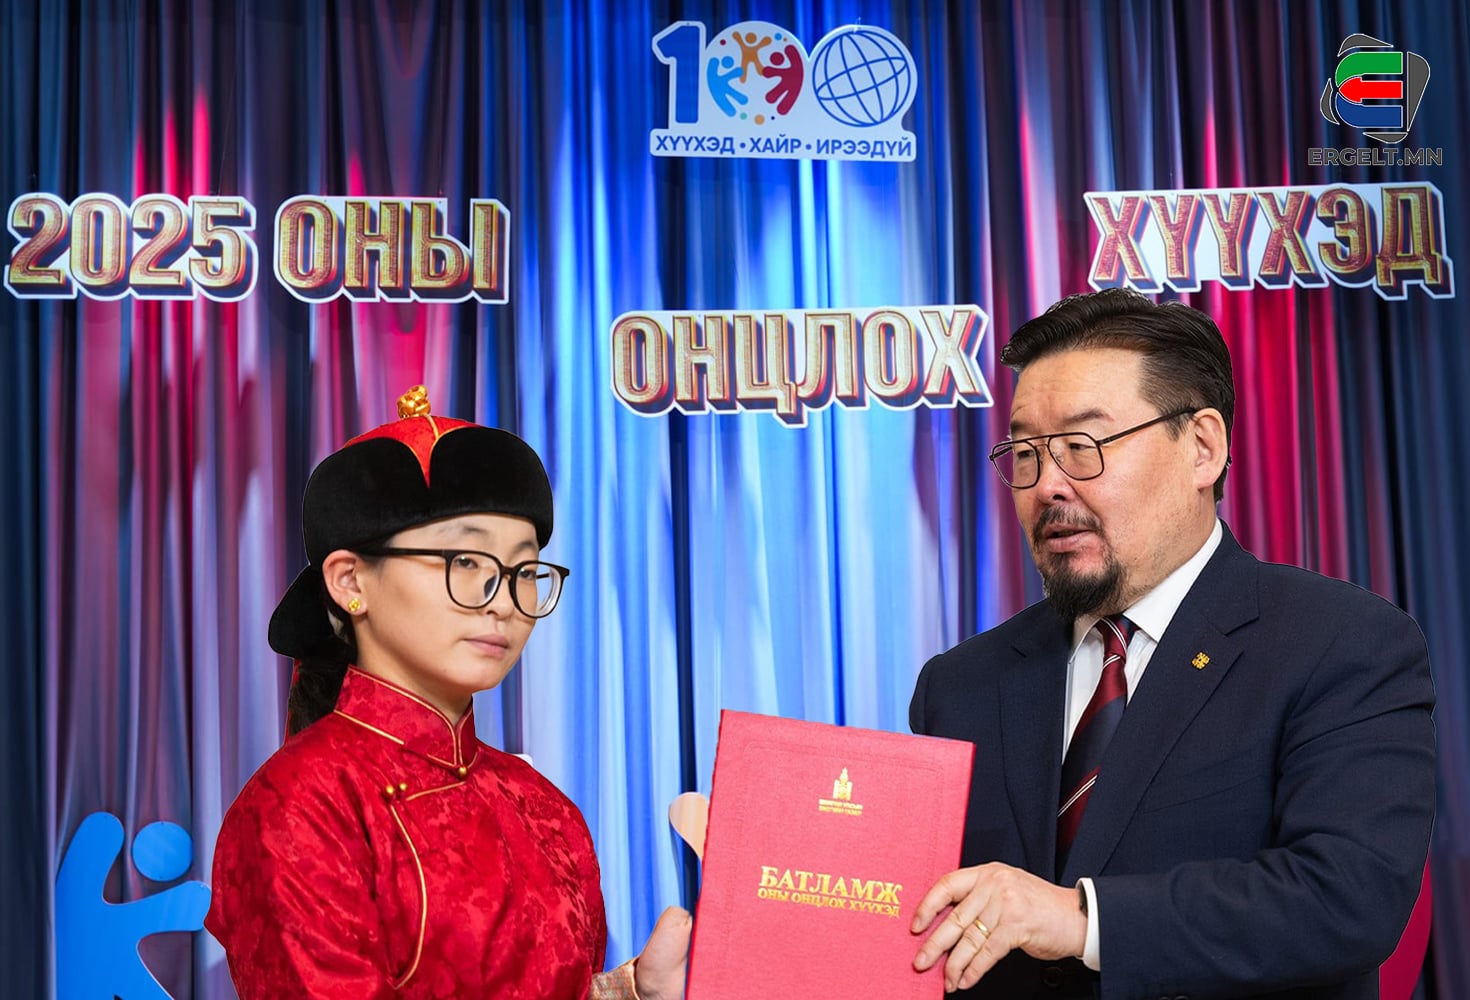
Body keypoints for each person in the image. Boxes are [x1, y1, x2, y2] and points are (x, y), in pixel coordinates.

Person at [907, 289, 1435, 998]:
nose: (1047, 486)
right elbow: (924, 924)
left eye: (1082, 447)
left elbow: (1347, 897)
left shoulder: (1342, 643)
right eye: (1025, 453)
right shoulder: (960, 684)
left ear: (1203, 448)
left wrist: (1081, 920)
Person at [207, 386, 690, 999]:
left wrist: (634, 992)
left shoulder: (544, 807)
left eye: (523, 570)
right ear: (350, 581)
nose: (503, 602)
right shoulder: (297, 807)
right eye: (464, 561)